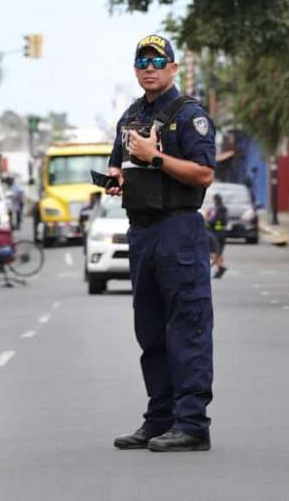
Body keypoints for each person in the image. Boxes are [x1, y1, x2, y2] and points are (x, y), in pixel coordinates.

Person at [107, 35, 216, 452]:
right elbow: (117, 163)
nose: (149, 67)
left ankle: (192, 423)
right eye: (142, 60)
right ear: (135, 69)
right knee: (150, 329)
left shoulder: (189, 115)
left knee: (186, 328)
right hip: (142, 230)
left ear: (173, 67)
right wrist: (116, 178)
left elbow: (204, 174)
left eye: (158, 60)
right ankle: (159, 418)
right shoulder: (131, 116)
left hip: (179, 229)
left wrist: (156, 158)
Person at [206, 193, 228, 279]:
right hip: (223, 233)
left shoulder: (216, 209)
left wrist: (208, 220)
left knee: (214, 252)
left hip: (216, 234)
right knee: (219, 252)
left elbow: (213, 221)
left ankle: (219, 267)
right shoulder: (224, 209)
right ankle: (220, 267)